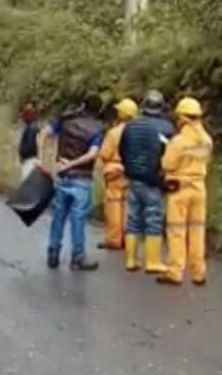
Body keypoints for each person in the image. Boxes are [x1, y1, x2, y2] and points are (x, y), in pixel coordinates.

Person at [119, 90, 176, 273]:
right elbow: (171, 155)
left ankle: (130, 260)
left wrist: (130, 167)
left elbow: (122, 150)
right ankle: (152, 262)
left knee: (133, 219)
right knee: (154, 219)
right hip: (154, 180)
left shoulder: (131, 126)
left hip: (133, 178)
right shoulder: (167, 128)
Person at [43, 102, 104, 271]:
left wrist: (46, 160)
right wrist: (72, 164)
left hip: (62, 177)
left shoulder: (66, 120)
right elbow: (92, 154)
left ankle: (53, 253)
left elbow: (45, 133)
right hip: (82, 179)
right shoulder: (97, 129)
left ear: (82, 105)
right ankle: (77, 257)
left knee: (59, 216)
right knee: (78, 220)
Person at [159, 97, 213, 286]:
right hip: (199, 187)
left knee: (176, 231)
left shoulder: (179, 141)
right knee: (197, 230)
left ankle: (175, 272)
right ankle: (199, 273)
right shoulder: (207, 140)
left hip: (179, 188)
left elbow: (167, 164)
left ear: (182, 117)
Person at [98, 97, 138, 250]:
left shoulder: (113, 133)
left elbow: (105, 154)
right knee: (128, 207)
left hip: (114, 173)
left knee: (114, 206)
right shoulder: (137, 133)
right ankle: (129, 238)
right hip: (132, 171)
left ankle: (114, 239)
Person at [17, 103, 40, 180]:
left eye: (23, 115)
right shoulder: (34, 126)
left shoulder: (31, 128)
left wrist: (22, 153)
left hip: (29, 159)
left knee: (26, 181)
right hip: (32, 159)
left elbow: (30, 145)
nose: (22, 118)